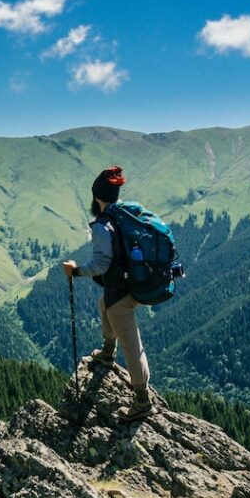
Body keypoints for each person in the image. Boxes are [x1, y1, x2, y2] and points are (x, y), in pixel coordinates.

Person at [62, 165, 154, 421]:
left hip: (122, 292)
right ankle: (107, 352)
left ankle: (142, 401)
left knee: (132, 346)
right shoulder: (126, 213)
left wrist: (76, 271)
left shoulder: (104, 225)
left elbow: (101, 264)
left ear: (97, 197)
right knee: (104, 304)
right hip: (135, 283)